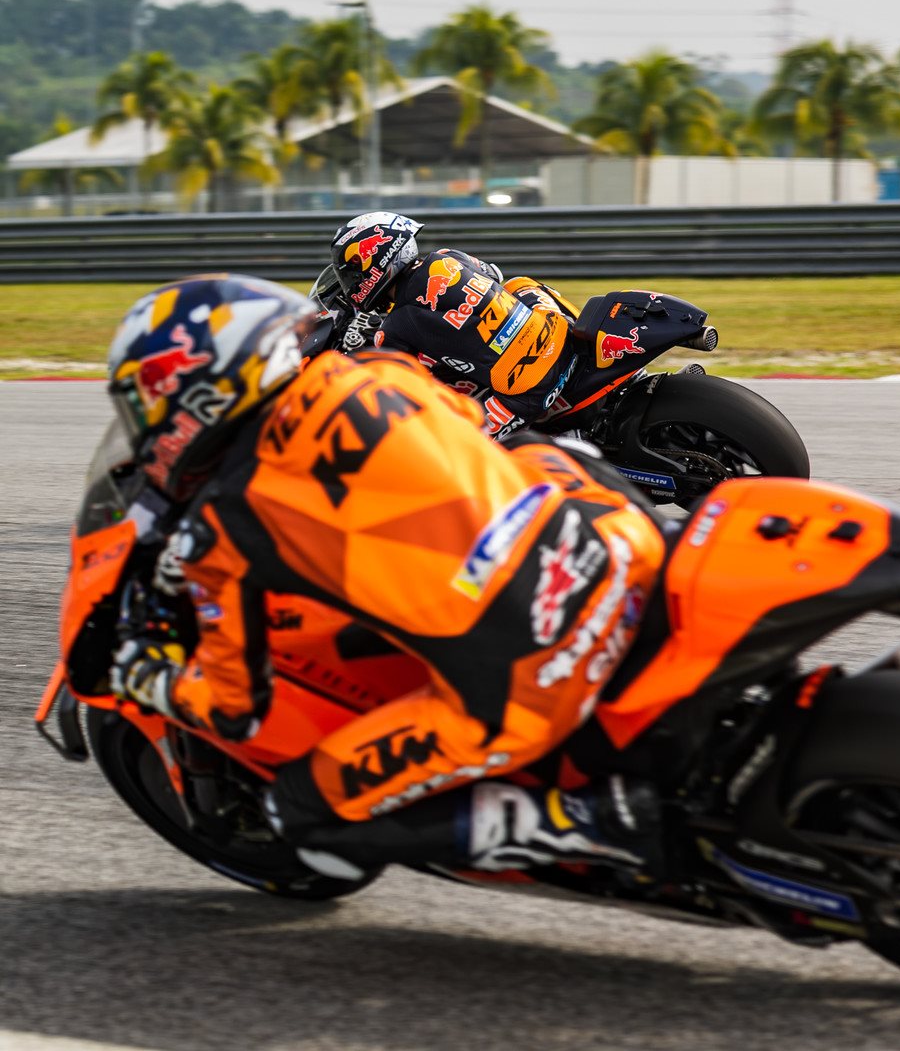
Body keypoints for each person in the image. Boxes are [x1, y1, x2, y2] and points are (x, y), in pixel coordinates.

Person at [107, 273, 667, 882]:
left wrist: (147, 677)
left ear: (198, 399)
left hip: (537, 673)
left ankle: (591, 820)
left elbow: (234, 708)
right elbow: (472, 429)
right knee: (540, 457)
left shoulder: (222, 523)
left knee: (301, 813)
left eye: (148, 402)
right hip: (619, 543)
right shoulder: (375, 370)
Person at [316, 211, 580, 440]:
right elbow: (494, 274)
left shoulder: (393, 330)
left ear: (372, 262)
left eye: (350, 274)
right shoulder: (447, 256)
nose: (351, 283)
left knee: (453, 446)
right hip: (559, 335)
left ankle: (565, 441)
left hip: (531, 388)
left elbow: (404, 389)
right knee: (519, 284)